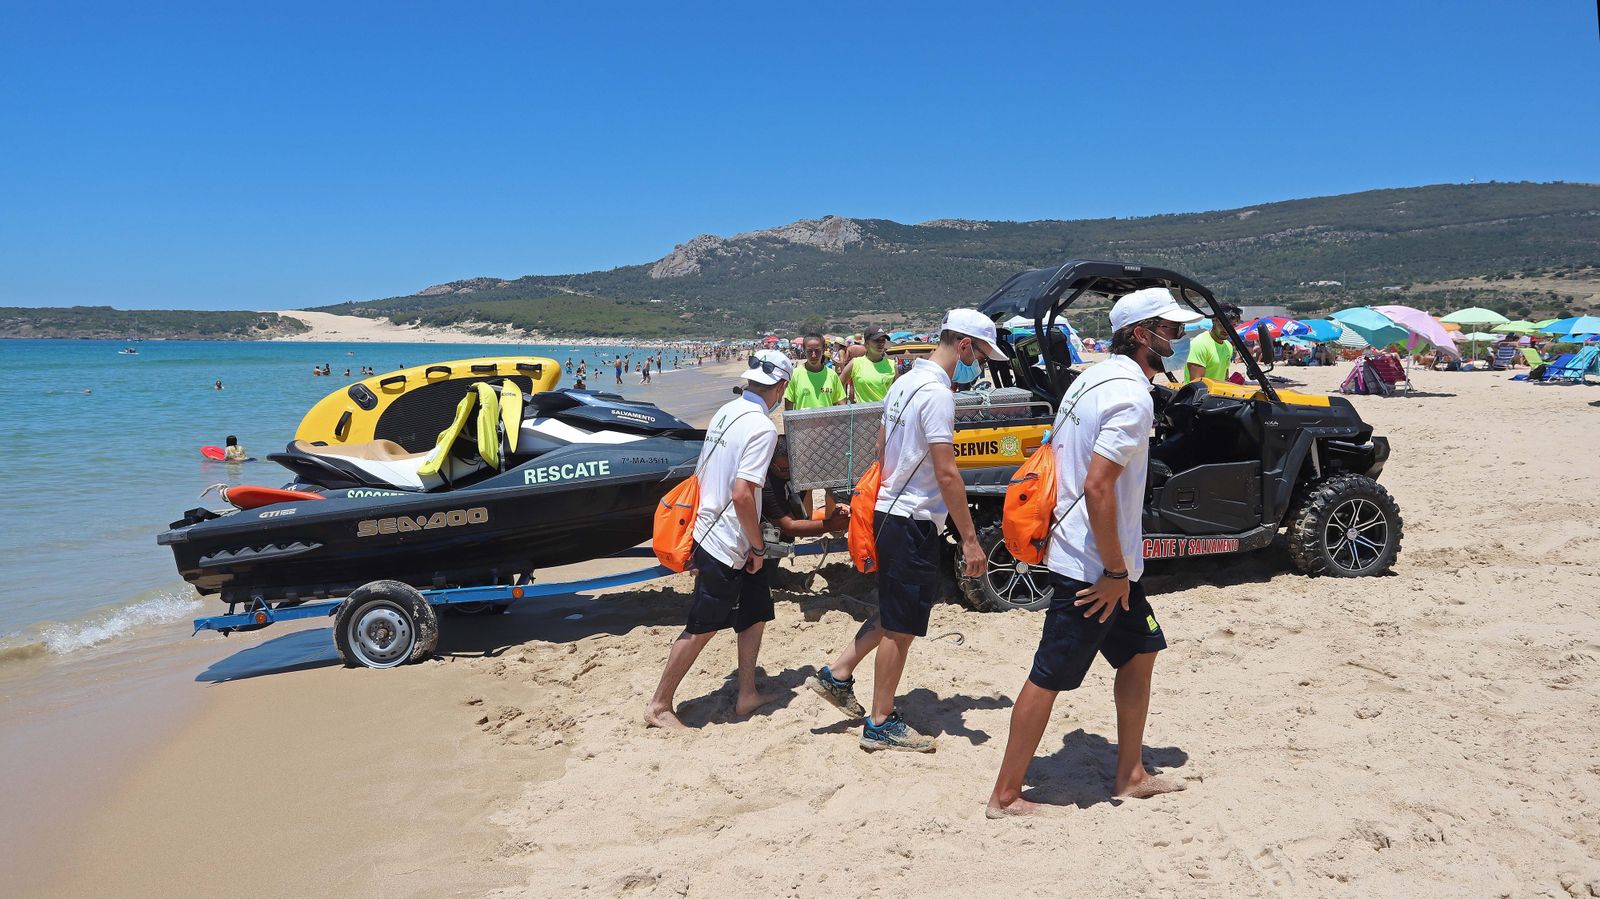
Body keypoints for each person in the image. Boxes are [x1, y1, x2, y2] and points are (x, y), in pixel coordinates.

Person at [986, 287, 1199, 818]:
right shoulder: (1132, 396)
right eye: (1171, 329)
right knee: (1049, 674)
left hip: (1099, 558)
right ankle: (1005, 796)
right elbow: (1098, 486)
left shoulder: (1089, 380)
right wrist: (1114, 571)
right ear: (1140, 334)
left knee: (1142, 651)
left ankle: (1130, 774)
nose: (1178, 337)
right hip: (1096, 567)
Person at [805, 310, 1001, 752]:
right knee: (902, 627)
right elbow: (947, 472)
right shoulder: (937, 394)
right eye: (982, 355)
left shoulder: (904, 381)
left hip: (890, 510)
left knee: (897, 609)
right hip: (912, 519)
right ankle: (880, 723)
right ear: (964, 346)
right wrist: (971, 540)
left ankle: (837, 674)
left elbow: (880, 445)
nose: (981, 365)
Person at [645, 350, 792, 730]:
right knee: (702, 626)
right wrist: (757, 546)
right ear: (781, 386)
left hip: (714, 530)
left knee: (756, 614)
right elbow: (742, 494)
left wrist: (752, 547)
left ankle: (747, 694)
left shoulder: (726, 411)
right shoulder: (761, 427)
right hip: (726, 542)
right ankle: (659, 705)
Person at [762, 435, 850, 541]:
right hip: (768, 536)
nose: (791, 473)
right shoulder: (767, 485)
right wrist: (831, 525)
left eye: (794, 468)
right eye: (785, 469)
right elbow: (788, 527)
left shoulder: (797, 470)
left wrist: (840, 504)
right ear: (771, 464)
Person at [784, 334, 846, 411]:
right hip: (802, 419)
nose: (813, 355)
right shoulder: (795, 375)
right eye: (809, 351)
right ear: (804, 351)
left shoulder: (832, 375)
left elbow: (842, 404)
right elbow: (788, 408)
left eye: (817, 351)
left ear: (823, 350)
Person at [1185, 303, 1242, 383]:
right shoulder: (1199, 344)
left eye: (1232, 326)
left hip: (1218, 390)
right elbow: (1196, 384)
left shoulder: (1228, 346)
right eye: (1222, 325)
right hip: (1201, 391)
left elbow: (1224, 376)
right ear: (1214, 320)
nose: (1226, 329)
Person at [841, 327, 897, 404]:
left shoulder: (892, 365)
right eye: (877, 340)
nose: (881, 344)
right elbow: (838, 384)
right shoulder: (855, 363)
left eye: (883, 340)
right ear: (866, 343)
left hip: (885, 410)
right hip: (863, 410)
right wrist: (843, 404)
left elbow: (898, 392)